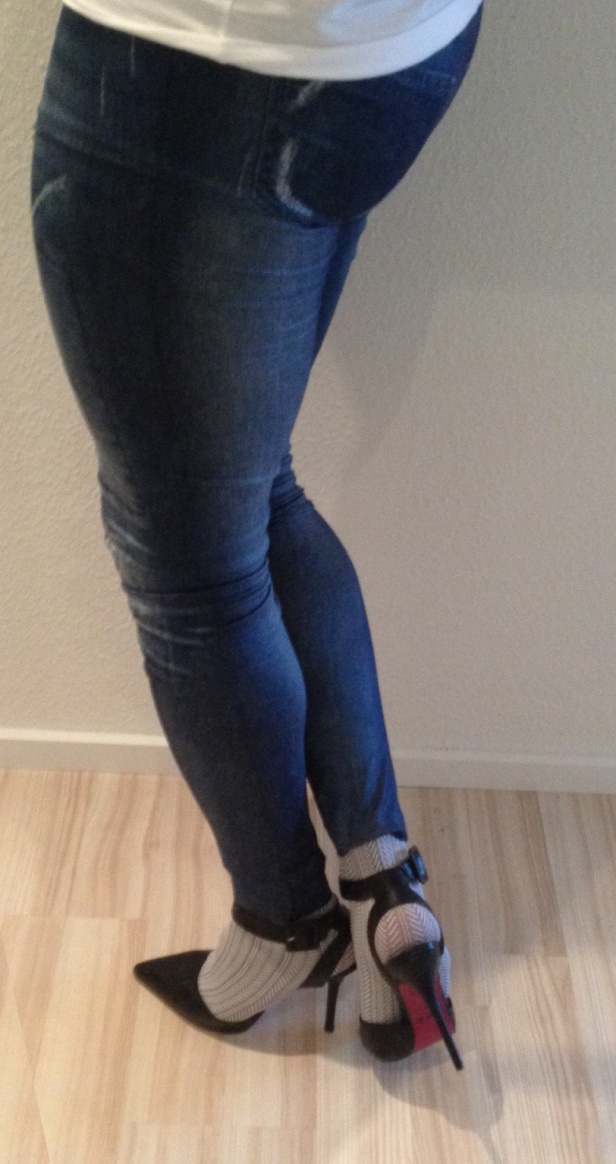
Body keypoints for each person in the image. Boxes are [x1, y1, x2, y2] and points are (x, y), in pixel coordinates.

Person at [31, 0, 483, 1067]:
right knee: (250, 487)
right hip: (393, 44)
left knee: (190, 561)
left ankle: (285, 921)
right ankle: (384, 894)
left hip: (197, 57)